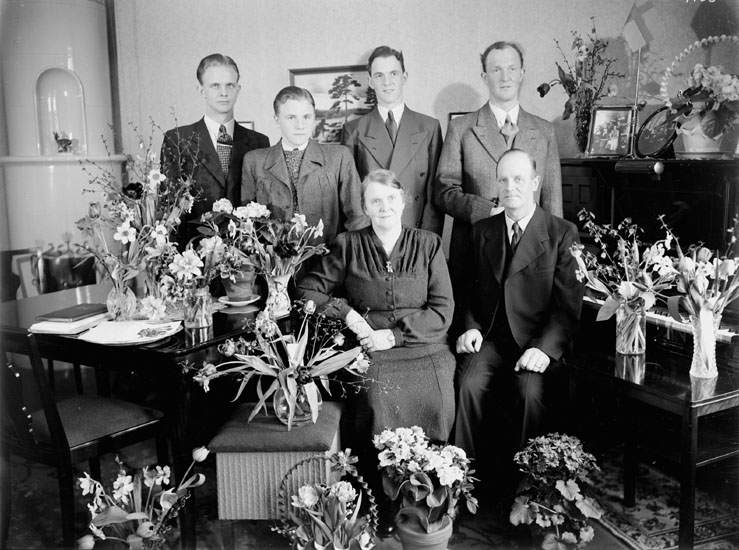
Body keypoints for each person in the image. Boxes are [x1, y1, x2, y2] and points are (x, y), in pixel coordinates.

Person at [296, 169, 456, 535]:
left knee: (439, 398)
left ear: (404, 201)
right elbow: (307, 290)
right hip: (370, 348)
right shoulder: (348, 244)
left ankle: (431, 506)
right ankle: (383, 506)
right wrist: (348, 314)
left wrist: (396, 336)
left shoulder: (428, 244)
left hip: (425, 345)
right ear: (365, 208)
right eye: (375, 201)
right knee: (376, 398)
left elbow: (442, 309)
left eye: (391, 199)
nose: (385, 207)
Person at [453, 149, 582, 501]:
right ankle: (462, 486)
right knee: (467, 384)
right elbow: (466, 291)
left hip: (536, 343)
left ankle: (528, 493)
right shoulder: (482, 231)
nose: (510, 187)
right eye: (504, 180)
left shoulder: (561, 233)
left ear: (535, 183)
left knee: (529, 393)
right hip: (492, 339)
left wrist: (544, 349)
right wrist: (470, 326)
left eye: (519, 179)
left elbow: (567, 308)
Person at [435, 41, 562, 330]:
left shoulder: (544, 131)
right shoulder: (461, 129)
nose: (505, 77)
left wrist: (556, 255)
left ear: (522, 73)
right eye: (496, 70)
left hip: (531, 255)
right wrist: (489, 212)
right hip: (476, 256)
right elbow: (444, 191)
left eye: (512, 69)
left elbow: (552, 199)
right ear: (484, 76)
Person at [241, 86, 367, 252]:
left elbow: (357, 217)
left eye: (306, 117)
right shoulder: (254, 161)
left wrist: (349, 258)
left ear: (314, 117)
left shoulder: (339, 157)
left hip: (328, 259)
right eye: (291, 117)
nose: (300, 125)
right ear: (277, 119)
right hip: (273, 262)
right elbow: (246, 223)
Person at [160, 53, 269, 243]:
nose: (223, 93)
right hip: (193, 250)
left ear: (238, 89)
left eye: (230, 85)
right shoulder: (178, 140)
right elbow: (170, 206)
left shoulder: (259, 143)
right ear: (202, 90)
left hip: (246, 250)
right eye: (215, 85)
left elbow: (263, 204)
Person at [341, 46, 444, 235]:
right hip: (372, 234)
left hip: (416, 233)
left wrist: (427, 239)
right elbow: (351, 196)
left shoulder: (429, 127)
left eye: (393, 74)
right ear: (370, 81)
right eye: (379, 75)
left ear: (404, 77)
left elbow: (435, 192)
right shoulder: (353, 130)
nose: (387, 82)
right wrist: (364, 240)